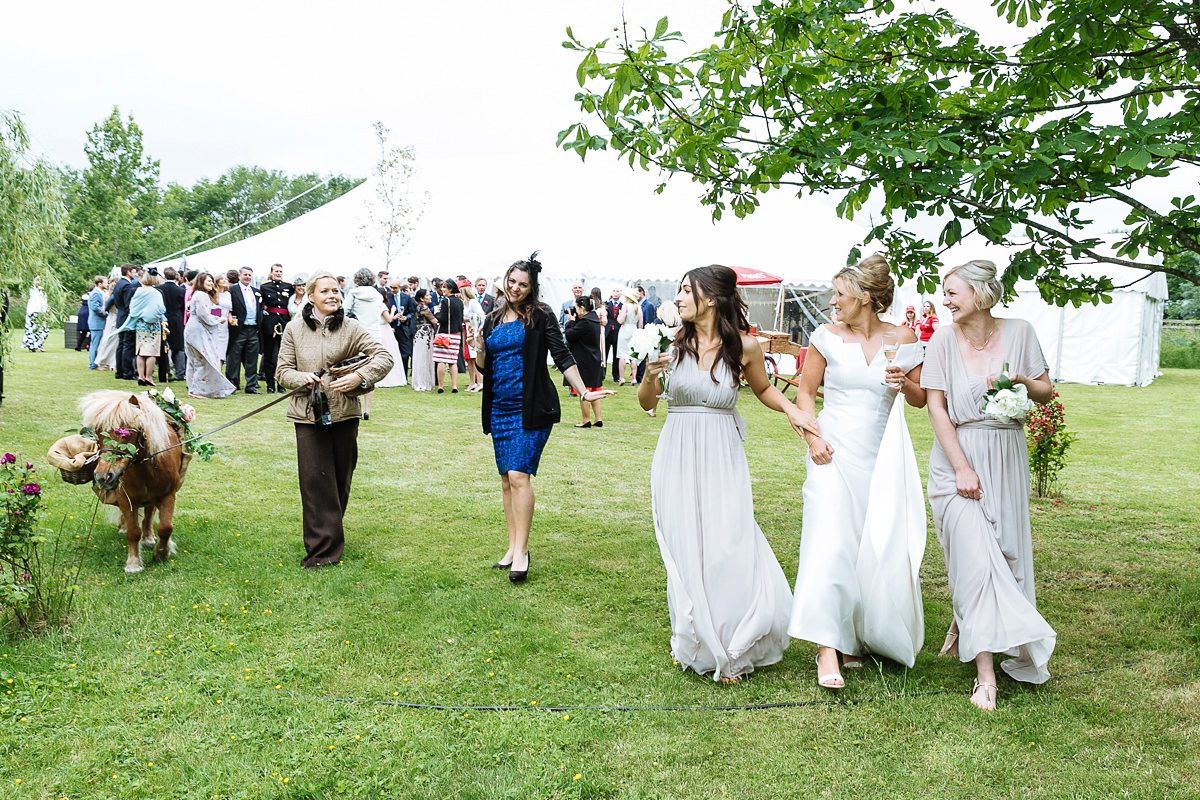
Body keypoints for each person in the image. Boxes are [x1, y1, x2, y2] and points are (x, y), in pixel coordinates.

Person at [639, 264, 814, 683]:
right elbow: (647, 403)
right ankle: (698, 636)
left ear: (712, 299)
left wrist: (792, 410)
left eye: (686, 291)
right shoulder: (669, 342)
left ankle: (735, 637)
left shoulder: (745, 347)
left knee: (725, 539)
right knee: (685, 543)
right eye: (679, 291)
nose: (678, 298)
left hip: (721, 453)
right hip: (677, 450)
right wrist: (648, 375)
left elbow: (765, 389)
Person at [788, 255, 927, 690]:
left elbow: (921, 398)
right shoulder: (824, 337)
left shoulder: (903, 337)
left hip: (881, 455)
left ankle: (855, 638)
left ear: (865, 299)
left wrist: (902, 382)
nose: (833, 303)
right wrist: (812, 439)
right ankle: (826, 647)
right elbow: (806, 395)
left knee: (871, 543)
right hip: (831, 450)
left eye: (840, 296)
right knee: (828, 540)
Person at [922, 259, 1056, 711]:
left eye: (952, 292)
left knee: (1005, 553)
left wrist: (1019, 380)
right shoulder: (942, 340)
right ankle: (985, 676)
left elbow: (1045, 391)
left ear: (980, 294)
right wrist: (961, 467)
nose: (945, 300)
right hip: (956, 456)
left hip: (1005, 453)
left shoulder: (1020, 331)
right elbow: (936, 409)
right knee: (976, 561)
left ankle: (967, 623)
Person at [475, 254, 603, 583]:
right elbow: (483, 368)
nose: (515, 288)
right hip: (500, 408)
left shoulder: (540, 316)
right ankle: (512, 546)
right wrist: (478, 349)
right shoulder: (491, 319)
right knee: (506, 480)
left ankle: (522, 552)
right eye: (512, 282)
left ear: (532, 288)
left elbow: (562, 354)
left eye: (523, 284)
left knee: (519, 476)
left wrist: (584, 391)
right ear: (504, 280)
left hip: (531, 408)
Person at [276, 272, 393, 569]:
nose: (332, 296)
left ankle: (329, 529)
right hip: (307, 414)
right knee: (315, 481)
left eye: (336, 291)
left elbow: (383, 356)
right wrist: (301, 378)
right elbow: (282, 371)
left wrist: (360, 376)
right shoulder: (293, 329)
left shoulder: (352, 327)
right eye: (325, 291)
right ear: (311, 295)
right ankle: (321, 552)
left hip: (344, 413)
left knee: (341, 478)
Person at [343, 267, 397, 416]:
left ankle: (356, 406)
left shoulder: (353, 294)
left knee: (353, 369)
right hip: (374, 336)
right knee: (369, 373)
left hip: (356, 335)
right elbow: (382, 317)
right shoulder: (377, 296)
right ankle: (367, 409)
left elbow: (344, 311)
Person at [109, 268, 168, 386]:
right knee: (151, 352)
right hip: (153, 325)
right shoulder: (156, 293)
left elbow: (133, 308)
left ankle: (140, 376)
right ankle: (148, 377)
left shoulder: (137, 291)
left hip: (140, 324)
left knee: (140, 351)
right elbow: (161, 309)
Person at [184, 273, 236, 399]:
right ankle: (197, 391)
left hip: (192, 330)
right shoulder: (202, 295)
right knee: (204, 360)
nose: (211, 284)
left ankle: (194, 388)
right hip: (198, 331)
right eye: (208, 281)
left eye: (212, 282)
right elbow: (204, 316)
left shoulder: (196, 295)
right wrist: (219, 319)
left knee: (194, 361)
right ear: (201, 282)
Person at [564, 295, 606, 427]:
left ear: (582, 308)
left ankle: (585, 420)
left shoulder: (584, 322)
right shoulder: (594, 319)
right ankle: (597, 419)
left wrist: (570, 321)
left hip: (584, 359)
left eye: (576, 307)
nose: (575, 310)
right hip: (594, 358)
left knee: (585, 390)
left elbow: (570, 335)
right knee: (595, 389)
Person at [226, 266, 262, 393]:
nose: (248, 277)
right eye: (245, 274)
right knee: (234, 358)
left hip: (253, 328)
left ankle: (251, 385)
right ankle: (232, 384)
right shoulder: (232, 290)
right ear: (239, 276)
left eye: (249, 275)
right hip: (238, 328)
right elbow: (223, 307)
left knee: (252, 358)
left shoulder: (256, 291)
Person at [259, 263, 292, 394]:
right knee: (269, 355)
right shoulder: (265, 286)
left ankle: (281, 384)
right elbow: (262, 305)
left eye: (280, 271)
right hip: (270, 324)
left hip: (284, 323)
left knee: (282, 355)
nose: (278, 273)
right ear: (271, 273)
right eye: (276, 271)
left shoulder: (288, 286)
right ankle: (270, 385)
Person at [156, 266, 187, 383]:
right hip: (177, 319)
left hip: (162, 319)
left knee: (163, 346)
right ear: (175, 277)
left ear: (164, 276)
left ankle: (165, 371)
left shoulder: (159, 289)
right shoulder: (181, 291)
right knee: (178, 347)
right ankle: (180, 372)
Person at [434, 278, 465, 393]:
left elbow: (442, 318)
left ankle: (441, 386)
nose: (442, 290)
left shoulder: (445, 301)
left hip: (444, 333)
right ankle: (454, 386)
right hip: (457, 334)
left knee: (441, 360)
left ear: (450, 289)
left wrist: (436, 313)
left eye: (444, 287)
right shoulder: (460, 301)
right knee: (453, 361)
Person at [110, 265, 140, 379]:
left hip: (120, 316)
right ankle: (127, 372)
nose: (135, 274)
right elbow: (128, 304)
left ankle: (120, 371)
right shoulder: (127, 285)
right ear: (128, 272)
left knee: (121, 345)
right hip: (126, 318)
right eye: (134, 272)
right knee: (128, 345)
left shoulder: (118, 283)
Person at [387, 279, 417, 377]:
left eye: (394, 288)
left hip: (403, 328)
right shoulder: (387, 296)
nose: (392, 289)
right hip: (391, 328)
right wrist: (392, 317)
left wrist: (406, 318)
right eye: (390, 287)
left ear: (399, 287)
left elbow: (412, 312)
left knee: (405, 353)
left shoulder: (406, 297)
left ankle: (403, 376)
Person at [410, 289, 438, 391]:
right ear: (421, 298)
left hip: (420, 334)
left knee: (421, 357)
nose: (430, 297)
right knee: (425, 357)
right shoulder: (424, 308)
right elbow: (434, 321)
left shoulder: (419, 307)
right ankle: (424, 382)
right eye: (427, 295)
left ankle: (421, 381)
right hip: (425, 334)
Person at [462, 284, 486, 392]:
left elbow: (481, 315)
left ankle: (479, 382)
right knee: (468, 358)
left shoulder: (473, 302)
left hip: (473, 330)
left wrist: (466, 319)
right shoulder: (464, 304)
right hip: (466, 331)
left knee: (474, 356)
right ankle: (472, 382)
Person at [615, 287, 641, 384]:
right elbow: (641, 324)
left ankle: (622, 378)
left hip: (625, 330)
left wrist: (618, 316)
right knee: (633, 355)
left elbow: (621, 320)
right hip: (634, 330)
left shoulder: (625, 306)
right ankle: (634, 378)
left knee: (622, 355)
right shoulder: (639, 307)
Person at [86, 276, 108, 369]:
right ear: (99, 284)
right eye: (105, 283)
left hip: (99, 323)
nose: (107, 285)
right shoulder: (95, 293)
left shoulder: (100, 293)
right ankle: (93, 364)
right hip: (96, 323)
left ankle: (96, 363)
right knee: (95, 344)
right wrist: (106, 314)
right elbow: (95, 307)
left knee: (98, 344)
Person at [215, 273, 233, 369]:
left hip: (225, 326)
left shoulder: (228, 294)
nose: (224, 280)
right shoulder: (213, 294)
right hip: (216, 323)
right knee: (215, 351)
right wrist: (219, 319)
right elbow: (214, 309)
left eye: (225, 279)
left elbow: (229, 310)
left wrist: (230, 319)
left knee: (222, 351)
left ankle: (219, 373)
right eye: (221, 279)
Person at [604, 288, 622, 382]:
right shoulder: (607, 304)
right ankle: (602, 374)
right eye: (614, 291)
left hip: (617, 332)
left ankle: (616, 375)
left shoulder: (622, 306)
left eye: (617, 291)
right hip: (608, 332)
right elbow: (601, 307)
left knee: (616, 355)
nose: (615, 293)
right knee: (604, 354)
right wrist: (607, 299)